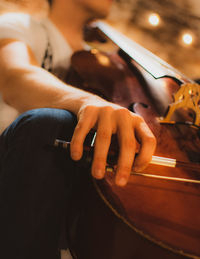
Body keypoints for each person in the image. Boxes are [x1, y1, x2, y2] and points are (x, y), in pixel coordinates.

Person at [0, 0, 156, 258]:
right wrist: (88, 102)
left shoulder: (102, 64)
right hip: (12, 166)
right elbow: (16, 76)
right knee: (52, 124)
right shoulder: (20, 25)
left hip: (64, 197)